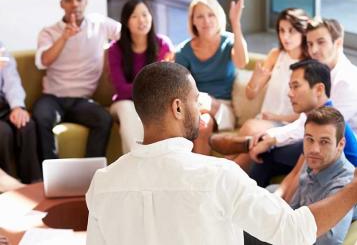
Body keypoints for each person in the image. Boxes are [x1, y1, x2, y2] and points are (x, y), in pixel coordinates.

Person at [86, 61, 357, 245]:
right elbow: (295, 231)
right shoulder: (219, 176)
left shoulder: (102, 183)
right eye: (196, 100)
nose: (201, 107)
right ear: (178, 108)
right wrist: (353, 189)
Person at [211, 7, 309, 171]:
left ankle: (223, 174)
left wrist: (275, 116)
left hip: (285, 125)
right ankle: (225, 174)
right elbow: (250, 94)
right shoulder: (276, 55)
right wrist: (256, 78)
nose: (285, 36)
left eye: (291, 31)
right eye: (281, 30)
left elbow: (305, 116)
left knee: (250, 132)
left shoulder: (309, 66)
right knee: (248, 139)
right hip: (263, 121)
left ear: (303, 32)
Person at [245, 107, 355, 245]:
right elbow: (294, 206)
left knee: (240, 228)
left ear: (341, 144)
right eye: (309, 139)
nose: (314, 149)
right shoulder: (315, 161)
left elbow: (327, 241)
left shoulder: (344, 185)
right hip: (290, 227)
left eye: (324, 142)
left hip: (295, 238)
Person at [32, 0, 121, 160]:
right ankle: (52, 176)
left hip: (82, 101)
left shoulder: (99, 24)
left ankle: (90, 174)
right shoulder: (49, 32)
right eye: (68, 0)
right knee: (41, 116)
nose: (74, 4)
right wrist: (64, 37)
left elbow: (128, 36)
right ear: (61, 4)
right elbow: (42, 61)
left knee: (103, 119)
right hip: (53, 97)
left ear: (85, 2)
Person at [249, 59, 357, 187]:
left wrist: (271, 142)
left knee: (267, 153)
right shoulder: (314, 116)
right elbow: (296, 129)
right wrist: (270, 138)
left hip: (342, 184)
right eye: (290, 87)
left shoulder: (327, 122)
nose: (289, 94)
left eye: (296, 86)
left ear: (319, 89)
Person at [175, 0, 249, 155]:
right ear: (192, 21)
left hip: (223, 108)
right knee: (200, 123)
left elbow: (242, 62)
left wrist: (236, 23)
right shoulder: (183, 52)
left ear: (218, 17)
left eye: (211, 15)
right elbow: (180, 88)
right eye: (200, 16)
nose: (206, 21)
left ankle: (199, 179)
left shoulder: (228, 42)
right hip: (195, 105)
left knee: (201, 122)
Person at [108, 0, 174, 154]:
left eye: (145, 14)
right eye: (134, 16)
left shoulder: (163, 44)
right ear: (126, 21)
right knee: (127, 110)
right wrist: (149, 86)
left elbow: (166, 84)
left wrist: (149, 88)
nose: (141, 20)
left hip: (154, 103)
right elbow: (121, 89)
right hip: (124, 102)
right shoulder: (115, 49)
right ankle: (135, 165)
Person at [0, 41, 41, 185]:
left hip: (5, 105)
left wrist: (17, 107)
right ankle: (10, 187)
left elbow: (12, 80)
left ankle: (34, 183)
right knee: (3, 132)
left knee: (27, 125)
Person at [306, 17, 357, 132]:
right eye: (310, 44)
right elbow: (305, 120)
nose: (313, 50)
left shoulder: (347, 81)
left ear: (338, 43)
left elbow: (322, 125)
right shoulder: (319, 74)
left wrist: (275, 138)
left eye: (321, 42)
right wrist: (273, 136)